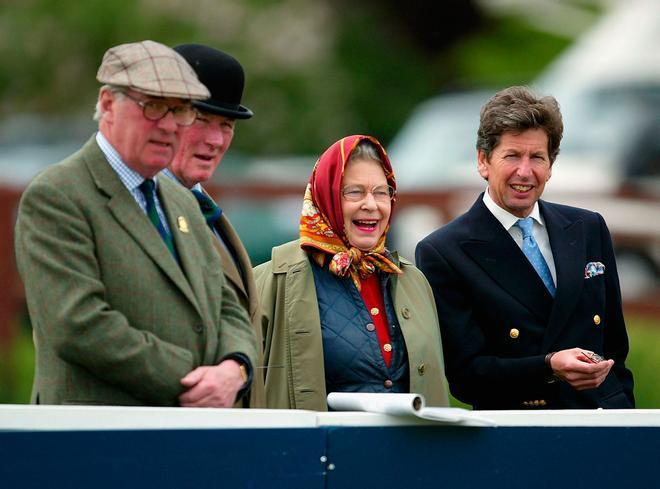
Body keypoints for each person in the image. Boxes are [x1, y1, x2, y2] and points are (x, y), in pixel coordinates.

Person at [14, 40, 258, 407]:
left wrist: (235, 369)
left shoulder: (181, 200)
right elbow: (79, 325)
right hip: (95, 441)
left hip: (185, 439)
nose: (169, 125)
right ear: (108, 104)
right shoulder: (57, 194)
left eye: (181, 111)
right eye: (154, 107)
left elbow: (226, 307)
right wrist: (199, 378)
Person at [416, 86, 634, 409]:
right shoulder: (444, 252)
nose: (525, 171)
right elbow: (466, 376)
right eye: (512, 156)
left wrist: (624, 412)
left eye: (537, 157)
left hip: (603, 422)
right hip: (521, 432)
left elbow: (616, 347)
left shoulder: (589, 228)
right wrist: (548, 367)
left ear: (551, 164)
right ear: (483, 161)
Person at [254, 134, 449, 410]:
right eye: (354, 192)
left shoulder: (412, 281)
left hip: (407, 452)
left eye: (381, 192)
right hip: (319, 451)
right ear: (326, 196)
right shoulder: (273, 280)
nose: (371, 204)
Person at [163, 43, 265, 408]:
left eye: (226, 125)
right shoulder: (140, 205)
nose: (216, 140)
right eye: (201, 121)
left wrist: (237, 370)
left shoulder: (203, 207)